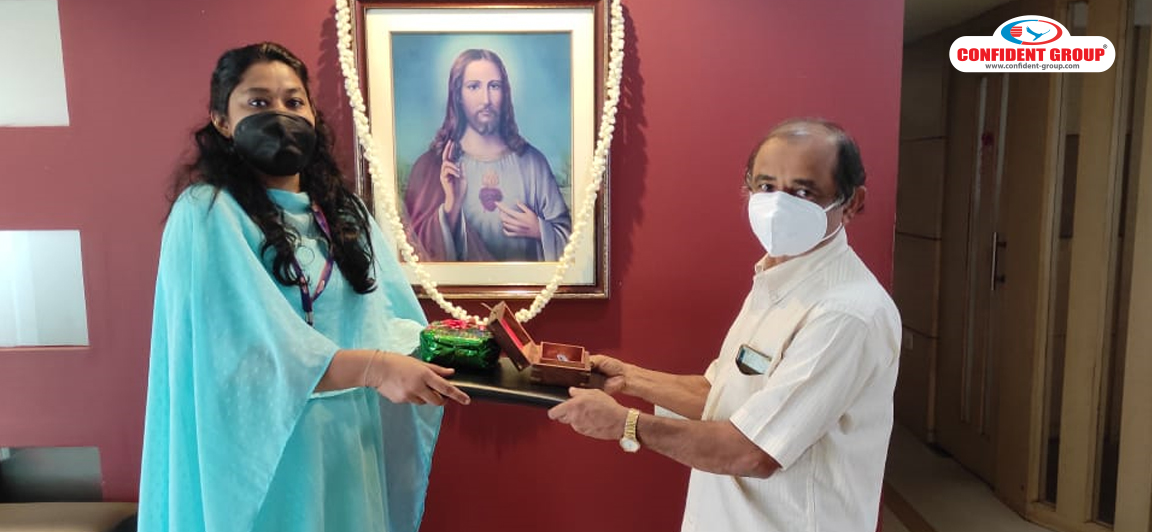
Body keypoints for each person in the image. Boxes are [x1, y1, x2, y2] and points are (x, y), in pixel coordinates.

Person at [138, 42, 470, 532]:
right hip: (265, 459)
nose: (280, 114)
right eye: (258, 102)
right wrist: (376, 368)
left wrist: (474, 351)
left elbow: (389, 323)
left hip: (349, 445)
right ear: (222, 121)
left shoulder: (344, 213)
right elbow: (243, 352)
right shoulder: (208, 214)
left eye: (294, 102)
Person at [548, 119, 901, 532]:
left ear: (852, 202)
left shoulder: (846, 314)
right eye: (766, 186)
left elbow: (754, 451)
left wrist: (626, 424)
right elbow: (721, 395)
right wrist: (629, 378)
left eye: (803, 192)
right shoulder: (777, 278)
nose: (778, 206)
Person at [404, 48, 572, 262]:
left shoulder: (532, 163)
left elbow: (572, 241)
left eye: (494, 86)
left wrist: (540, 230)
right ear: (458, 95)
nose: (486, 99)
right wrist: (450, 208)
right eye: (473, 86)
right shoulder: (431, 166)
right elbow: (410, 250)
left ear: (505, 93)